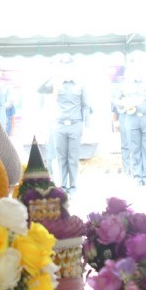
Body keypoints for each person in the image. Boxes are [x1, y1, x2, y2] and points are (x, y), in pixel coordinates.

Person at [52, 57, 91, 193]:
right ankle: (63, 186)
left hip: (75, 125)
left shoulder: (81, 85)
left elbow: (86, 106)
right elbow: (42, 92)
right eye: (64, 66)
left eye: (69, 66)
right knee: (61, 157)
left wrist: (86, 126)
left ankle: (73, 186)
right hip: (59, 125)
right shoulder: (56, 85)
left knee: (73, 157)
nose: (67, 69)